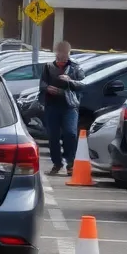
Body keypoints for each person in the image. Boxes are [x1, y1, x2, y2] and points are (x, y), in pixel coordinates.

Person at [39, 40, 85, 176]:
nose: (62, 57)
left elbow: (82, 84)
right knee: (53, 136)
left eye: (65, 54)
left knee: (70, 133)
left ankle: (70, 163)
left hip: (69, 106)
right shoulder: (48, 67)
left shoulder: (76, 67)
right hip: (52, 106)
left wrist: (69, 80)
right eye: (60, 54)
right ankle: (56, 163)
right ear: (56, 53)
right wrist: (47, 88)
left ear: (69, 53)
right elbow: (42, 83)